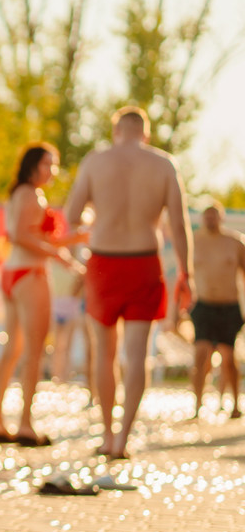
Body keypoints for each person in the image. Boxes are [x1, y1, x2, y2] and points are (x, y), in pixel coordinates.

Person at [63, 106, 192, 459]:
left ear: (116, 131)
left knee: (104, 354)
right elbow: (179, 226)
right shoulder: (164, 164)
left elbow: (70, 218)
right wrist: (186, 274)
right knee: (137, 356)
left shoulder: (95, 161)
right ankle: (123, 440)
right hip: (143, 262)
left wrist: (79, 258)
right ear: (145, 134)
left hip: (103, 262)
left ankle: (106, 435)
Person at [0, 143, 85, 446]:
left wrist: (72, 244)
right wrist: (59, 256)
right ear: (32, 165)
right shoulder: (30, 194)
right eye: (48, 164)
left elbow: (35, 237)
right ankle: (26, 424)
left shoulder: (19, 193)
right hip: (29, 274)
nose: (52, 171)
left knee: (13, 349)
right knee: (33, 350)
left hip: (13, 273)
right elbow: (19, 236)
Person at [189, 200, 245, 419]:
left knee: (229, 357)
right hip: (203, 305)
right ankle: (197, 405)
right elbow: (184, 276)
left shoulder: (234, 242)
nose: (210, 219)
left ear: (221, 217)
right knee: (200, 354)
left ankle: (234, 404)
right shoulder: (194, 242)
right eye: (207, 215)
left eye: (214, 215)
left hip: (229, 306)